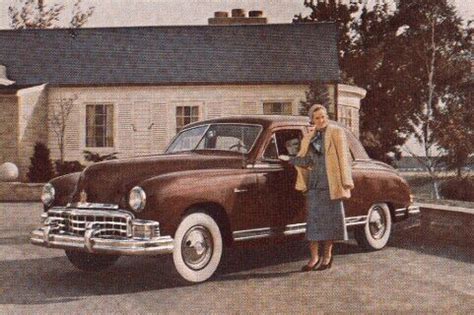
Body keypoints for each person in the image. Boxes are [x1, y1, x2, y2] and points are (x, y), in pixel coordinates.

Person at [279, 104, 354, 271]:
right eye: (317, 118)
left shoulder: (336, 132)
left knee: (330, 224)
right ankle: (314, 258)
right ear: (312, 120)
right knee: (313, 223)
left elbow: (344, 158)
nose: (321, 120)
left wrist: (346, 182)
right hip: (314, 185)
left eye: (323, 116)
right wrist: (289, 159)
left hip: (331, 184)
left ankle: (327, 257)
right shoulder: (309, 138)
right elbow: (306, 161)